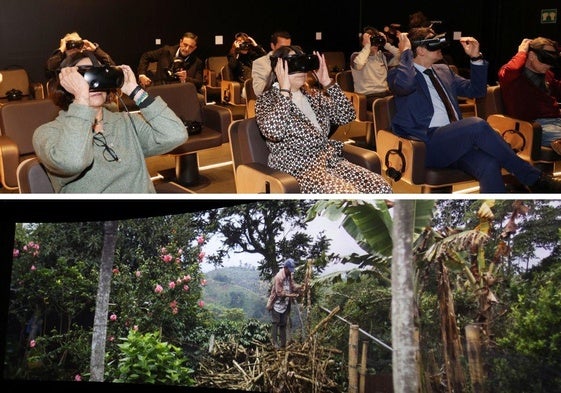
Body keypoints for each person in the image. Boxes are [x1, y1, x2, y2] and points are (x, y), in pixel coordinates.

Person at [387, 27, 561, 193]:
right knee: (476, 125)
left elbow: (477, 91)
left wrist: (476, 58)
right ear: (420, 50)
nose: (441, 46)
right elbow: (405, 85)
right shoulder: (399, 74)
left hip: (455, 141)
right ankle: (533, 178)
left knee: (489, 164)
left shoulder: (443, 70)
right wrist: (406, 53)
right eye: (434, 42)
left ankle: (493, 216)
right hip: (425, 144)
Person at [33, 51, 188, 193]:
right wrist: (81, 98)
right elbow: (73, 162)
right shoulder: (47, 133)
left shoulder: (126, 122)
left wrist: (135, 91)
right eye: (84, 76)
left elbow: (176, 135)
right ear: (67, 85)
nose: (94, 83)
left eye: (98, 74)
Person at [255, 45, 392, 194]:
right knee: (349, 196)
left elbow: (347, 115)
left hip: (330, 161)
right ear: (279, 70)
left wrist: (328, 83)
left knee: (381, 187)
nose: (301, 70)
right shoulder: (267, 100)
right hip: (297, 170)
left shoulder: (312, 95)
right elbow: (274, 132)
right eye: (294, 64)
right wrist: (285, 92)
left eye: (303, 64)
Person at [498, 37, 561, 155]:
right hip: (533, 126)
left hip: (556, 121)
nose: (548, 65)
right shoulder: (513, 76)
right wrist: (522, 51)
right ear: (531, 55)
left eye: (551, 62)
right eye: (545, 60)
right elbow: (512, 69)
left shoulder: (547, 75)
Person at [351, 26, 400, 110]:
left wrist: (385, 43)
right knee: (384, 105)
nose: (374, 44)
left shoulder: (382, 56)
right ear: (363, 42)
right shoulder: (356, 56)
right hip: (367, 97)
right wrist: (367, 46)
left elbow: (401, 56)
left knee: (405, 100)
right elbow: (358, 65)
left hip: (385, 93)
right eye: (371, 40)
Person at [137, 32, 204, 92]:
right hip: (161, 89)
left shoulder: (197, 62)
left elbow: (199, 83)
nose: (187, 49)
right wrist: (142, 74)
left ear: (195, 48)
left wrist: (186, 79)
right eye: (185, 45)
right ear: (181, 42)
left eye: (191, 47)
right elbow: (146, 56)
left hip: (181, 93)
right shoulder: (166, 51)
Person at [45, 32, 115, 80]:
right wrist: (61, 48)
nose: (74, 49)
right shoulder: (61, 68)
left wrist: (96, 50)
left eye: (78, 45)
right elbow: (49, 69)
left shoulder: (90, 62)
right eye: (70, 45)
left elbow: (112, 70)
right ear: (65, 49)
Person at [268, 259, 300, 349]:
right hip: (276, 303)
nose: (291, 272)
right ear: (285, 268)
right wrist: (290, 295)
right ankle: (274, 343)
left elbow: (293, 286)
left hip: (285, 304)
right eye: (289, 270)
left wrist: (300, 287)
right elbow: (279, 293)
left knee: (283, 323)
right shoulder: (279, 277)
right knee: (275, 322)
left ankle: (283, 345)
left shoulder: (290, 276)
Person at [252, 30, 292, 96]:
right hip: (272, 101)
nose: (285, 50)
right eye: (282, 48)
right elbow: (258, 91)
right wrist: (274, 72)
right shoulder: (260, 63)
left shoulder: (290, 60)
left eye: (288, 47)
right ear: (273, 46)